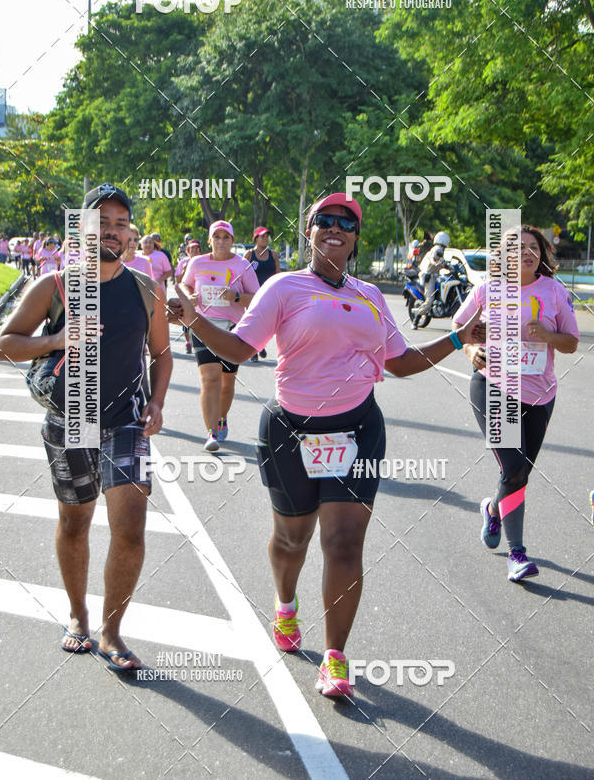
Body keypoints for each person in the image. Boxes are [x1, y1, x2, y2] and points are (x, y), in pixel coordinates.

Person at [167, 192, 484, 697]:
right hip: (290, 432)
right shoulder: (282, 287)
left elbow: (399, 363)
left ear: (357, 238)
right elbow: (238, 349)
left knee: (342, 543)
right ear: (309, 231)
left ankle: (336, 657)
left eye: (348, 224)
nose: (336, 228)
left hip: (357, 431)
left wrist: (458, 338)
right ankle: (285, 605)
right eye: (325, 221)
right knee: (292, 540)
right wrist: (192, 319)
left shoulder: (370, 297)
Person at [0, 184, 172, 671]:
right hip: (71, 419)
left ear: (128, 233)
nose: (111, 231)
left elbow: (161, 354)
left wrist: (156, 402)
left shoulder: (145, 289)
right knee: (74, 522)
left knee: (131, 531)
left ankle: (112, 631)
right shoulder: (54, 285)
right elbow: (4, 345)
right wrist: (56, 337)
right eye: (101, 222)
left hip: (127, 423)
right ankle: (77, 615)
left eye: (120, 223)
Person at [452, 226, 579, 582]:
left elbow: (570, 343)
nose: (527, 252)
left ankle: (493, 508)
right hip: (495, 387)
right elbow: (460, 326)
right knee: (514, 469)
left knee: (519, 473)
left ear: (542, 254)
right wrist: (470, 348)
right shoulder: (488, 289)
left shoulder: (554, 292)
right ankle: (517, 554)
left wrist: (549, 335)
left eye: (533, 247)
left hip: (541, 395)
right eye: (518, 247)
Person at [180, 220, 259, 449]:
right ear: (210, 240)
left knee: (226, 382)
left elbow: (257, 298)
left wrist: (235, 297)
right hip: (203, 324)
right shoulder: (197, 262)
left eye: (226, 237)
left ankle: (222, 418)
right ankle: (211, 433)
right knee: (209, 378)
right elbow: (186, 285)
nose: (221, 241)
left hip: (234, 328)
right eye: (217, 237)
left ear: (232, 241)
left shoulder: (242, 265)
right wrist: (190, 296)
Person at [244, 227, 281, 361]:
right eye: (262, 236)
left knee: (266, 323)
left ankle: (261, 345)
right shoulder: (249, 255)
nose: (265, 238)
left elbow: (278, 273)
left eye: (267, 236)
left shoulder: (273, 255)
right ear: (256, 239)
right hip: (252, 295)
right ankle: (254, 352)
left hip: (269, 294)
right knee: (254, 322)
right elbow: (241, 273)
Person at [413, 230, 450, 323]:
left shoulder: (440, 249)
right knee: (430, 300)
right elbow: (434, 259)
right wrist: (438, 263)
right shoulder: (437, 249)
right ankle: (417, 316)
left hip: (436, 276)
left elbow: (442, 261)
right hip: (429, 276)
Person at [175, 239, 202, 354]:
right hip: (186, 296)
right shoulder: (183, 263)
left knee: (198, 318)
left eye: (197, 249)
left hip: (199, 296)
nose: (194, 251)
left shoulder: (203, 262)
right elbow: (178, 280)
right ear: (187, 251)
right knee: (186, 320)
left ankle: (200, 340)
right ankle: (188, 342)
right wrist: (185, 270)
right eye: (192, 249)